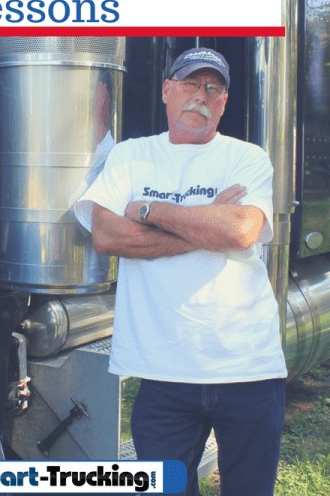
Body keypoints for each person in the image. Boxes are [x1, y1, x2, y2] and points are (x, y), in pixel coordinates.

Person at [74, 47, 287, 496]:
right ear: (167, 91)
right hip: (163, 373)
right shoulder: (133, 156)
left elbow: (243, 230)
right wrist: (208, 221)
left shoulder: (247, 157)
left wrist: (150, 209)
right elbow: (109, 237)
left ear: (224, 102)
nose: (201, 96)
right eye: (191, 85)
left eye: (214, 88)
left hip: (247, 367)